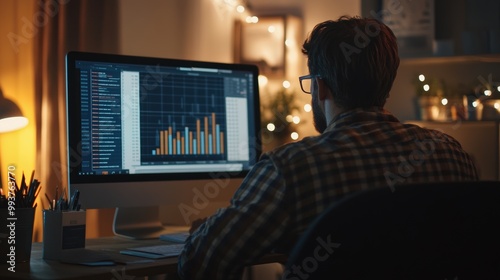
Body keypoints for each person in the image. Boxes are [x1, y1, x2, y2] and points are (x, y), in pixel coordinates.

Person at [177, 15, 478, 279]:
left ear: (320, 87)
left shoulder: (291, 168)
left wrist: (202, 232)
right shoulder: (451, 153)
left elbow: (202, 264)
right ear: (386, 83)